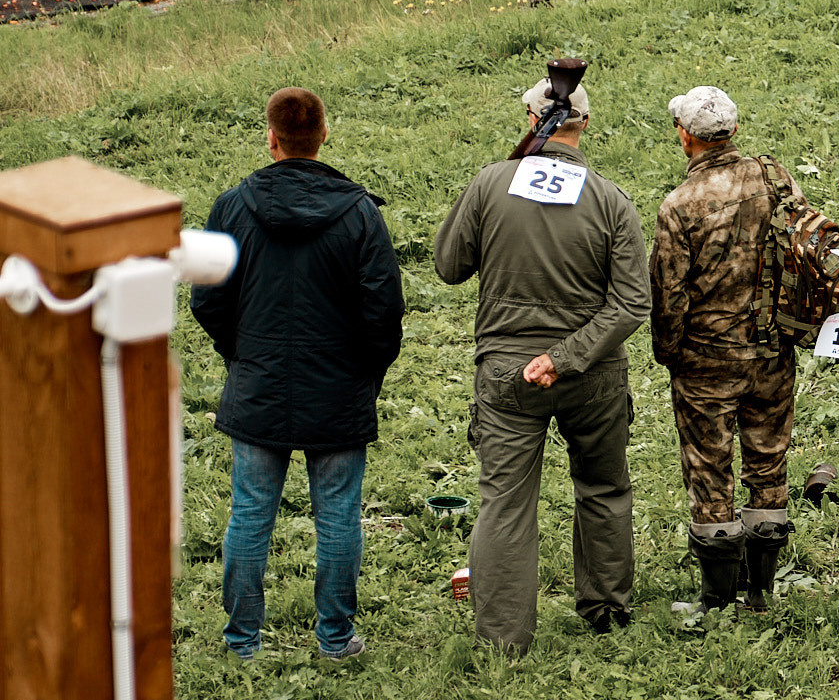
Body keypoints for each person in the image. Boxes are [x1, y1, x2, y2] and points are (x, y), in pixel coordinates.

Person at [435, 74, 650, 652]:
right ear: (585, 125)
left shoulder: (490, 184)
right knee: (604, 488)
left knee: (505, 502)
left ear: (533, 121)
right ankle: (606, 610)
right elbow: (633, 302)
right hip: (595, 376)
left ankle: (503, 641)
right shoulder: (610, 200)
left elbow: (449, 266)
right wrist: (568, 357)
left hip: (507, 375)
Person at [191, 88, 403, 662]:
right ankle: (335, 639)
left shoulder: (233, 207)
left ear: (272, 137)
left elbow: (206, 301)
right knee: (337, 515)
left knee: (250, 512)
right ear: (324, 134)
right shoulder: (359, 214)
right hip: (337, 390)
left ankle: (242, 643)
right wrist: (365, 372)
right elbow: (384, 312)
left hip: (257, 387)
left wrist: (242, 355)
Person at [650, 86, 802, 618]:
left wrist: (669, 354)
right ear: (732, 131)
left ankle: (716, 598)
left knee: (709, 471)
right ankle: (761, 590)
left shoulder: (679, 206)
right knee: (768, 462)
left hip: (706, 363)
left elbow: (668, 295)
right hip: (772, 351)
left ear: (685, 136)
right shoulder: (776, 178)